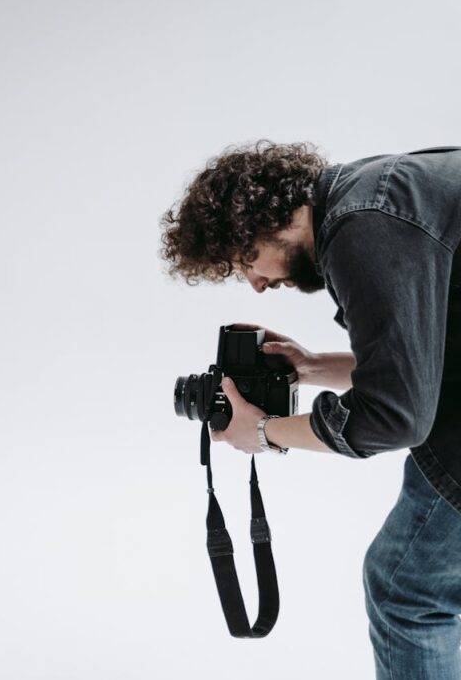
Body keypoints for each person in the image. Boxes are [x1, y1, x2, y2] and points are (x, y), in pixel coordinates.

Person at [160, 142, 461, 679]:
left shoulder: (364, 228)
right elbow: (418, 364)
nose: (256, 284)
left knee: (407, 590)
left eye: (246, 261)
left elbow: (395, 417)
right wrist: (311, 365)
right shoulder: (377, 191)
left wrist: (267, 433)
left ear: (265, 219)